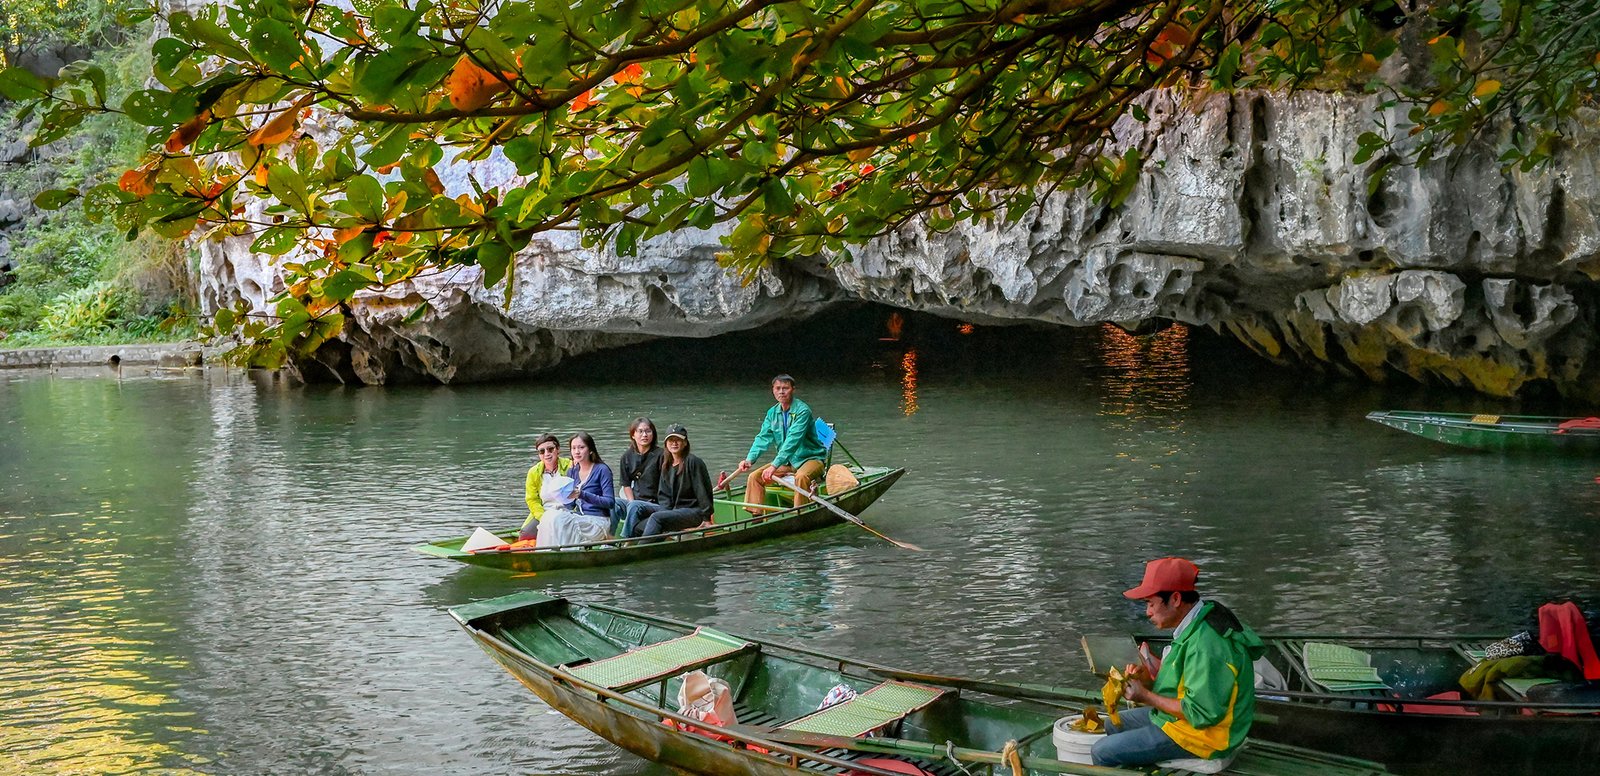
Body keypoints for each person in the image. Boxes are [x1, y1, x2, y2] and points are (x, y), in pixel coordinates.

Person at [1091, 557, 1264, 770]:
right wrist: (1147, 681)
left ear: (1175, 599)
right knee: (1112, 723)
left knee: (1101, 751)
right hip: (1187, 722)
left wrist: (1144, 696)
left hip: (1207, 736)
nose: (1148, 613)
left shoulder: (1207, 645)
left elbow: (1200, 714)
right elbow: (1183, 686)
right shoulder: (1196, 621)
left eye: (1151, 604)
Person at [732, 374, 827, 514]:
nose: (781, 392)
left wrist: (774, 465)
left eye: (785, 388)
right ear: (773, 390)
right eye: (778, 388)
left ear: (793, 390)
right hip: (787, 462)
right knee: (754, 477)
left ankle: (799, 513)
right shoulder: (772, 412)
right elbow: (763, 437)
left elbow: (792, 441)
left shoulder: (802, 411)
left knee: (801, 477)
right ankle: (756, 516)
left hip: (810, 459)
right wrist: (749, 459)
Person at [630, 424, 714, 538]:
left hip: (694, 512)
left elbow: (703, 492)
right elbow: (664, 496)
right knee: (638, 527)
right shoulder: (666, 465)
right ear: (666, 444)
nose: (674, 443)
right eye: (671, 440)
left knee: (656, 518)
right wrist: (667, 515)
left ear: (685, 443)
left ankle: (641, 552)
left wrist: (706, 518)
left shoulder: (693, 462)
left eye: (678, 440)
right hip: (674, 511)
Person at [536, 432, 613, 547]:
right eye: (573, 448)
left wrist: (581, 494)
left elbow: (610, 502)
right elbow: (571, 506)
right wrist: (562, 496)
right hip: (580, 518)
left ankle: (565, 553)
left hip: (598, 521)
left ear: (590, 450)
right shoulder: (572, 471)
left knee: (561, 520)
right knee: (549, 516)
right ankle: (545, 552)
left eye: (581, 447)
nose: (577, 451)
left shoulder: (602, 470)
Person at [612, 417, 665, 539]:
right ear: (633, 435)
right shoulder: (626, 456)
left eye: (648, 431)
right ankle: (609, 539)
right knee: (614, 502)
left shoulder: (661, 455)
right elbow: (626, 484)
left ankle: (627, 540)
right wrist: (630, 502)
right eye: (640, 431)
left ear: (653, 434)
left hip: (655, 504)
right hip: (635, 503)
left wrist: (633, 505)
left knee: (635, 506)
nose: (644, 435)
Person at [518, 434, 572, 541]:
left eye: (550, 449)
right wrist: (543, 518)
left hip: (567, 511)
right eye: (542, 451)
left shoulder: (571, 466)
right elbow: (532, 500)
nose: (547, 454)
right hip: (544, 512)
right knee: (525, 535)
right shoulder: (533, 472)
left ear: (558, 450)